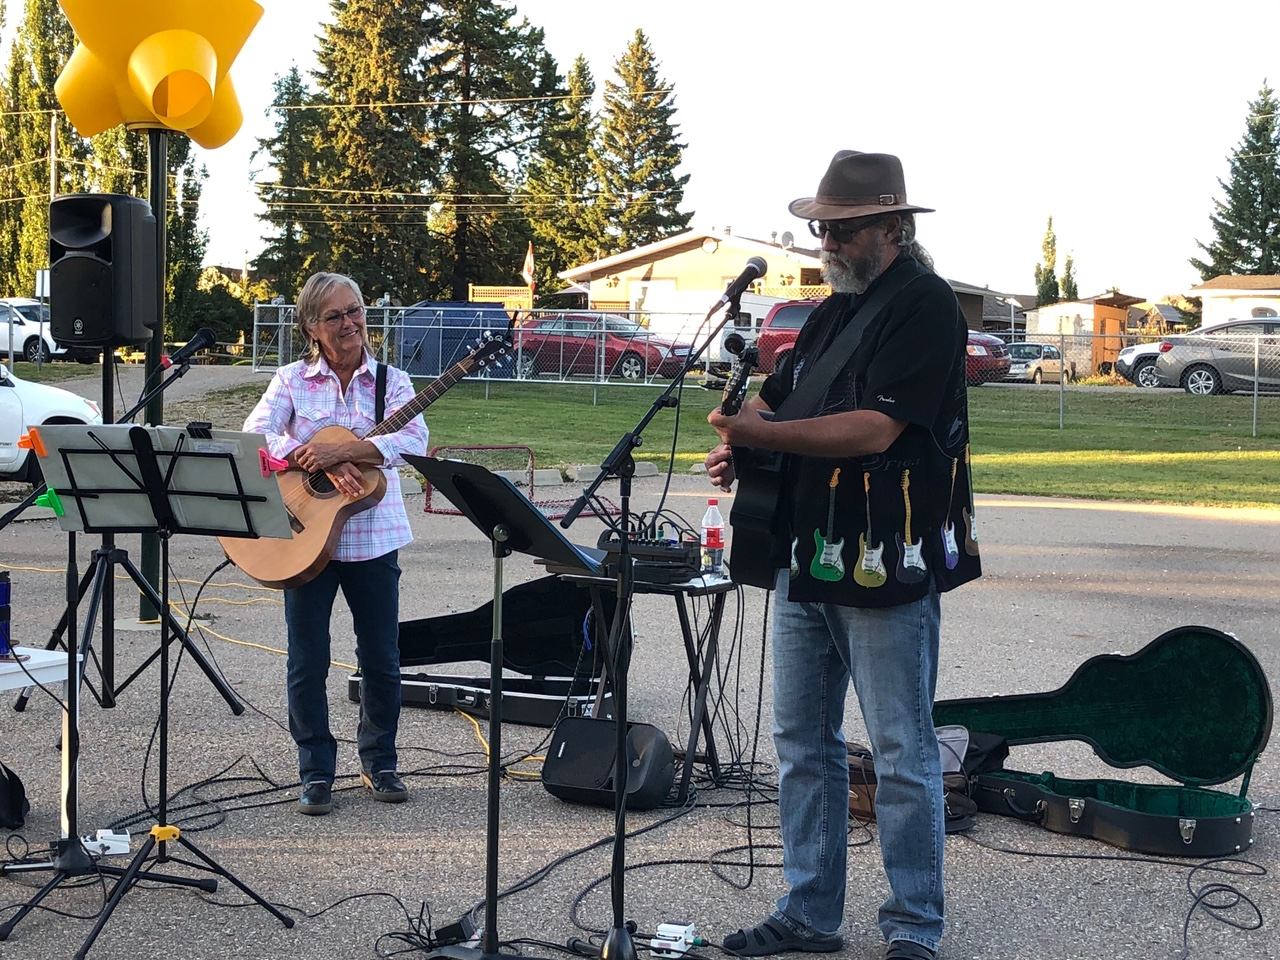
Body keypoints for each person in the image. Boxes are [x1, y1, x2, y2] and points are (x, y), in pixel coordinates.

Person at [705, 152, 981, 960]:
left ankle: (914, 927)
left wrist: (764, 435)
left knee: (901, 749)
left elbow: (876, 428)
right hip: (804, 550)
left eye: (844, 228)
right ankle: (810, 912)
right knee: (801, 743)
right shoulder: (829, 312)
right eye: (822, 227)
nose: (827, 239)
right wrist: (743, 445)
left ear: (892, 226)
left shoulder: (927, 307)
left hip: (884, 558)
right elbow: (779, 398)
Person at [244, 271, 428, 816]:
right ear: (311, 327)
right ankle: (315, 771)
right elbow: (257, 433)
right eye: (334, 316)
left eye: (355, 310)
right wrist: (309, 454)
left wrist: (351, 455)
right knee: (307, 659)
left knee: (381, 658)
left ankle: (381, 761)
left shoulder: (391, 381)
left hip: (374, 538)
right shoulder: (291, 381)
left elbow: (413, 440)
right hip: (306, 541)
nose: (349, 323)